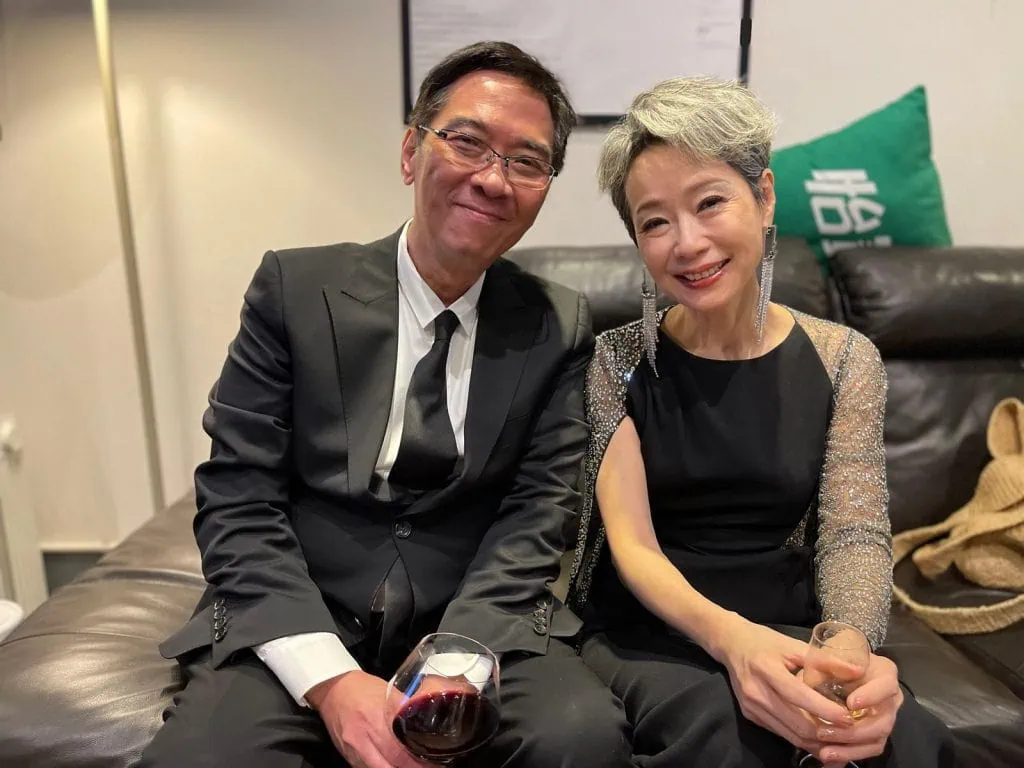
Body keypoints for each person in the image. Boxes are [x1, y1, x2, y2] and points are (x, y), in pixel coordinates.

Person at [139, 41, 632, 768]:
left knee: (580, 740)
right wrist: (331, 682)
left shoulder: (558, 322)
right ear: (410, 153)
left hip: (474, 614)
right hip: (302, 604)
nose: (492, 178)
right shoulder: (296, 290)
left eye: (526, 161)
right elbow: (239, 495)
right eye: (467, 142)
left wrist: (454, 665)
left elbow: (540, 512)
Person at [565, 77, 956, 768]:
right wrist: (733, 642)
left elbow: (855, 533)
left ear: (764, 196)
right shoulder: (612, 362)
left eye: (710, 202)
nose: (688, 243)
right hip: (651, 632)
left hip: (787, 626)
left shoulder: (845, 359)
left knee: (903, 742)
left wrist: (847, 652)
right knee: (730, 739)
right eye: (655, 222)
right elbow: (634, 549)